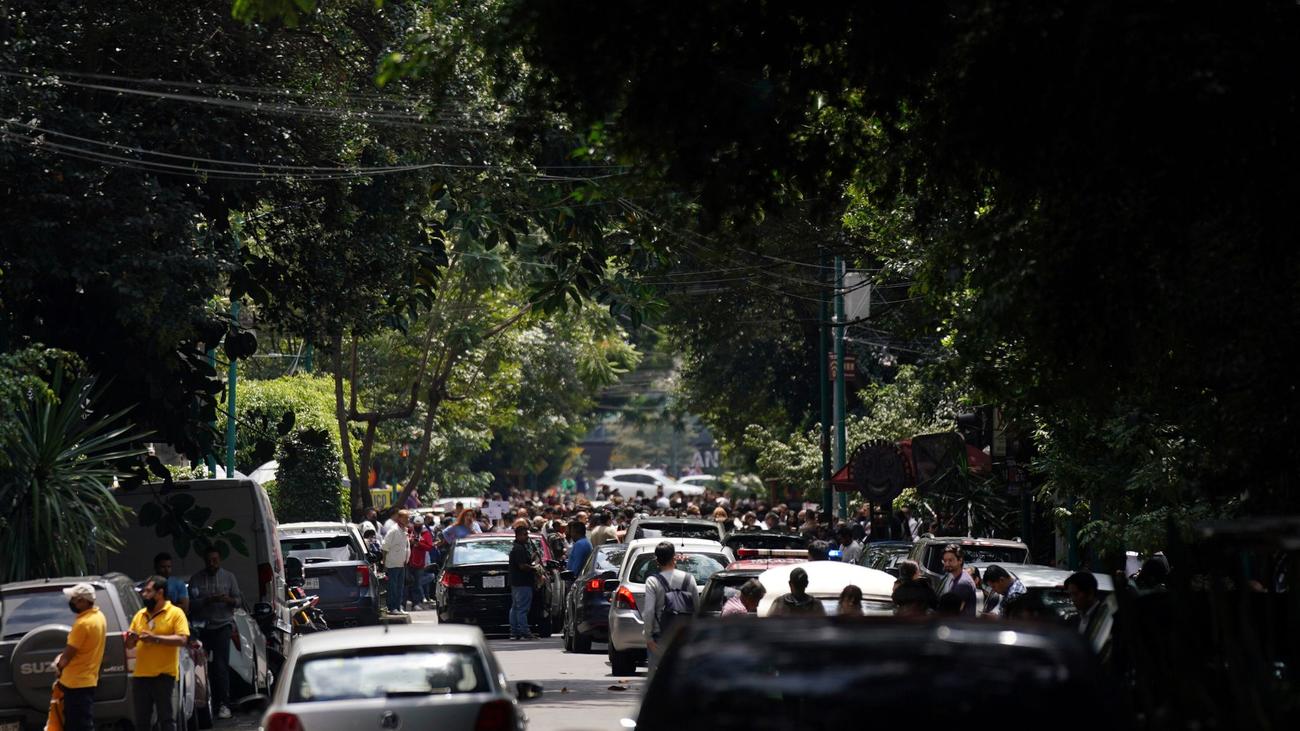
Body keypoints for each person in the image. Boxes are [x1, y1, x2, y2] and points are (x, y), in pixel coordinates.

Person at [126, 576, 190, 731]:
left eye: (148, 591)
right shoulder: (140, 615)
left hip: (164, 675)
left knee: (167, 720)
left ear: (160, 593)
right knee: (142, 722)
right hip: (141, 677)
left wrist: (155, 638)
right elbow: (129, 645)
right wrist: (131, 639)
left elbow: (182, 639)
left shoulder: (175, 613)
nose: (144, 594)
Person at [188, 546, 240, 719]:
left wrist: (228, 600)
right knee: (203, 666)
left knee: (220, 665)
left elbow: (238, 600)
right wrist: (207, 600)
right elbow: (191, 605)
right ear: (204, 561)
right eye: (209, 561)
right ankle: (207, 703)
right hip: (203, 627)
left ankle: (225, 704)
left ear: (220, 560)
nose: (212, 564)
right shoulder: (196, 579)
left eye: (215, 560)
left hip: (223, 625)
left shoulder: (229, 577)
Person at [55, 583, 106, 731]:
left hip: (75, 683)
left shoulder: (82, 624)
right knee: (83, 721)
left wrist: (58, 665)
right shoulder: (99, 617)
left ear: (83, 601)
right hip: (88, 679)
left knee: (78, 725)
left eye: (74, 599)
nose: (71, 602)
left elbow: (67, 657)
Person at [642, 542, 699, 663]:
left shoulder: (652, 581)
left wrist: (648, 638)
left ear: (657, 560)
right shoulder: (689, 579)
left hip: (660, 636)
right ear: (674, 557)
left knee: (659, 677)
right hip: (683, 636)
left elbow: (649, 611)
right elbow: (697, 609)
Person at [508, 525, 538, 640]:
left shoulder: (518, 547)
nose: (527, 537)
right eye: (525, 534)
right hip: (522, 582)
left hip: (516, 582)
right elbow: (522, 566)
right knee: (522, 608)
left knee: (516, 607)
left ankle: (515, 631)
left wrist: (532, 557)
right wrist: (534, 568)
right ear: (518, 535)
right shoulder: (519, 548)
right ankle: (524, 631)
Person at [1065, 572, 1110, 647]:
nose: (1072, 599)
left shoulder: (1105, 618)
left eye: (1076, 594)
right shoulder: (1073, 620)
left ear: (1090, 593)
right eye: (1070, 594)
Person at [382, 510, 412, 615]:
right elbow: (385, 547)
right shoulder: (393, 530)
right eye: (406, 518)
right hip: (392, 564)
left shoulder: (404, 530)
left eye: (408, 518)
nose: (408, 520)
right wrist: (384, 564)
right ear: (399, 518)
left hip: (402, 563)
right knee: (393, 587)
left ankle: (398, 607)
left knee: (400, 587)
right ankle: (392, 608)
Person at [938, 544, 977, 617]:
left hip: (961, 626)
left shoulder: (963, 583)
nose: (947, 564)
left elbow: (952, 612)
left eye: (950, 560)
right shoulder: (956, 577)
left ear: (960, 560)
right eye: (945, 560)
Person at [408, 514, 435, 610]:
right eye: (416, 525)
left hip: (420, 562)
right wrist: (410, 542)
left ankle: (417, 603)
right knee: (408, 582)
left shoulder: (426, 533)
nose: (417, 527)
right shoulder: (410, 531)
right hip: (408, 561)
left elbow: (429, 546)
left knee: (417, 583)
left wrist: (419, 544)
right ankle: (409, 602)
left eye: (419, 525)